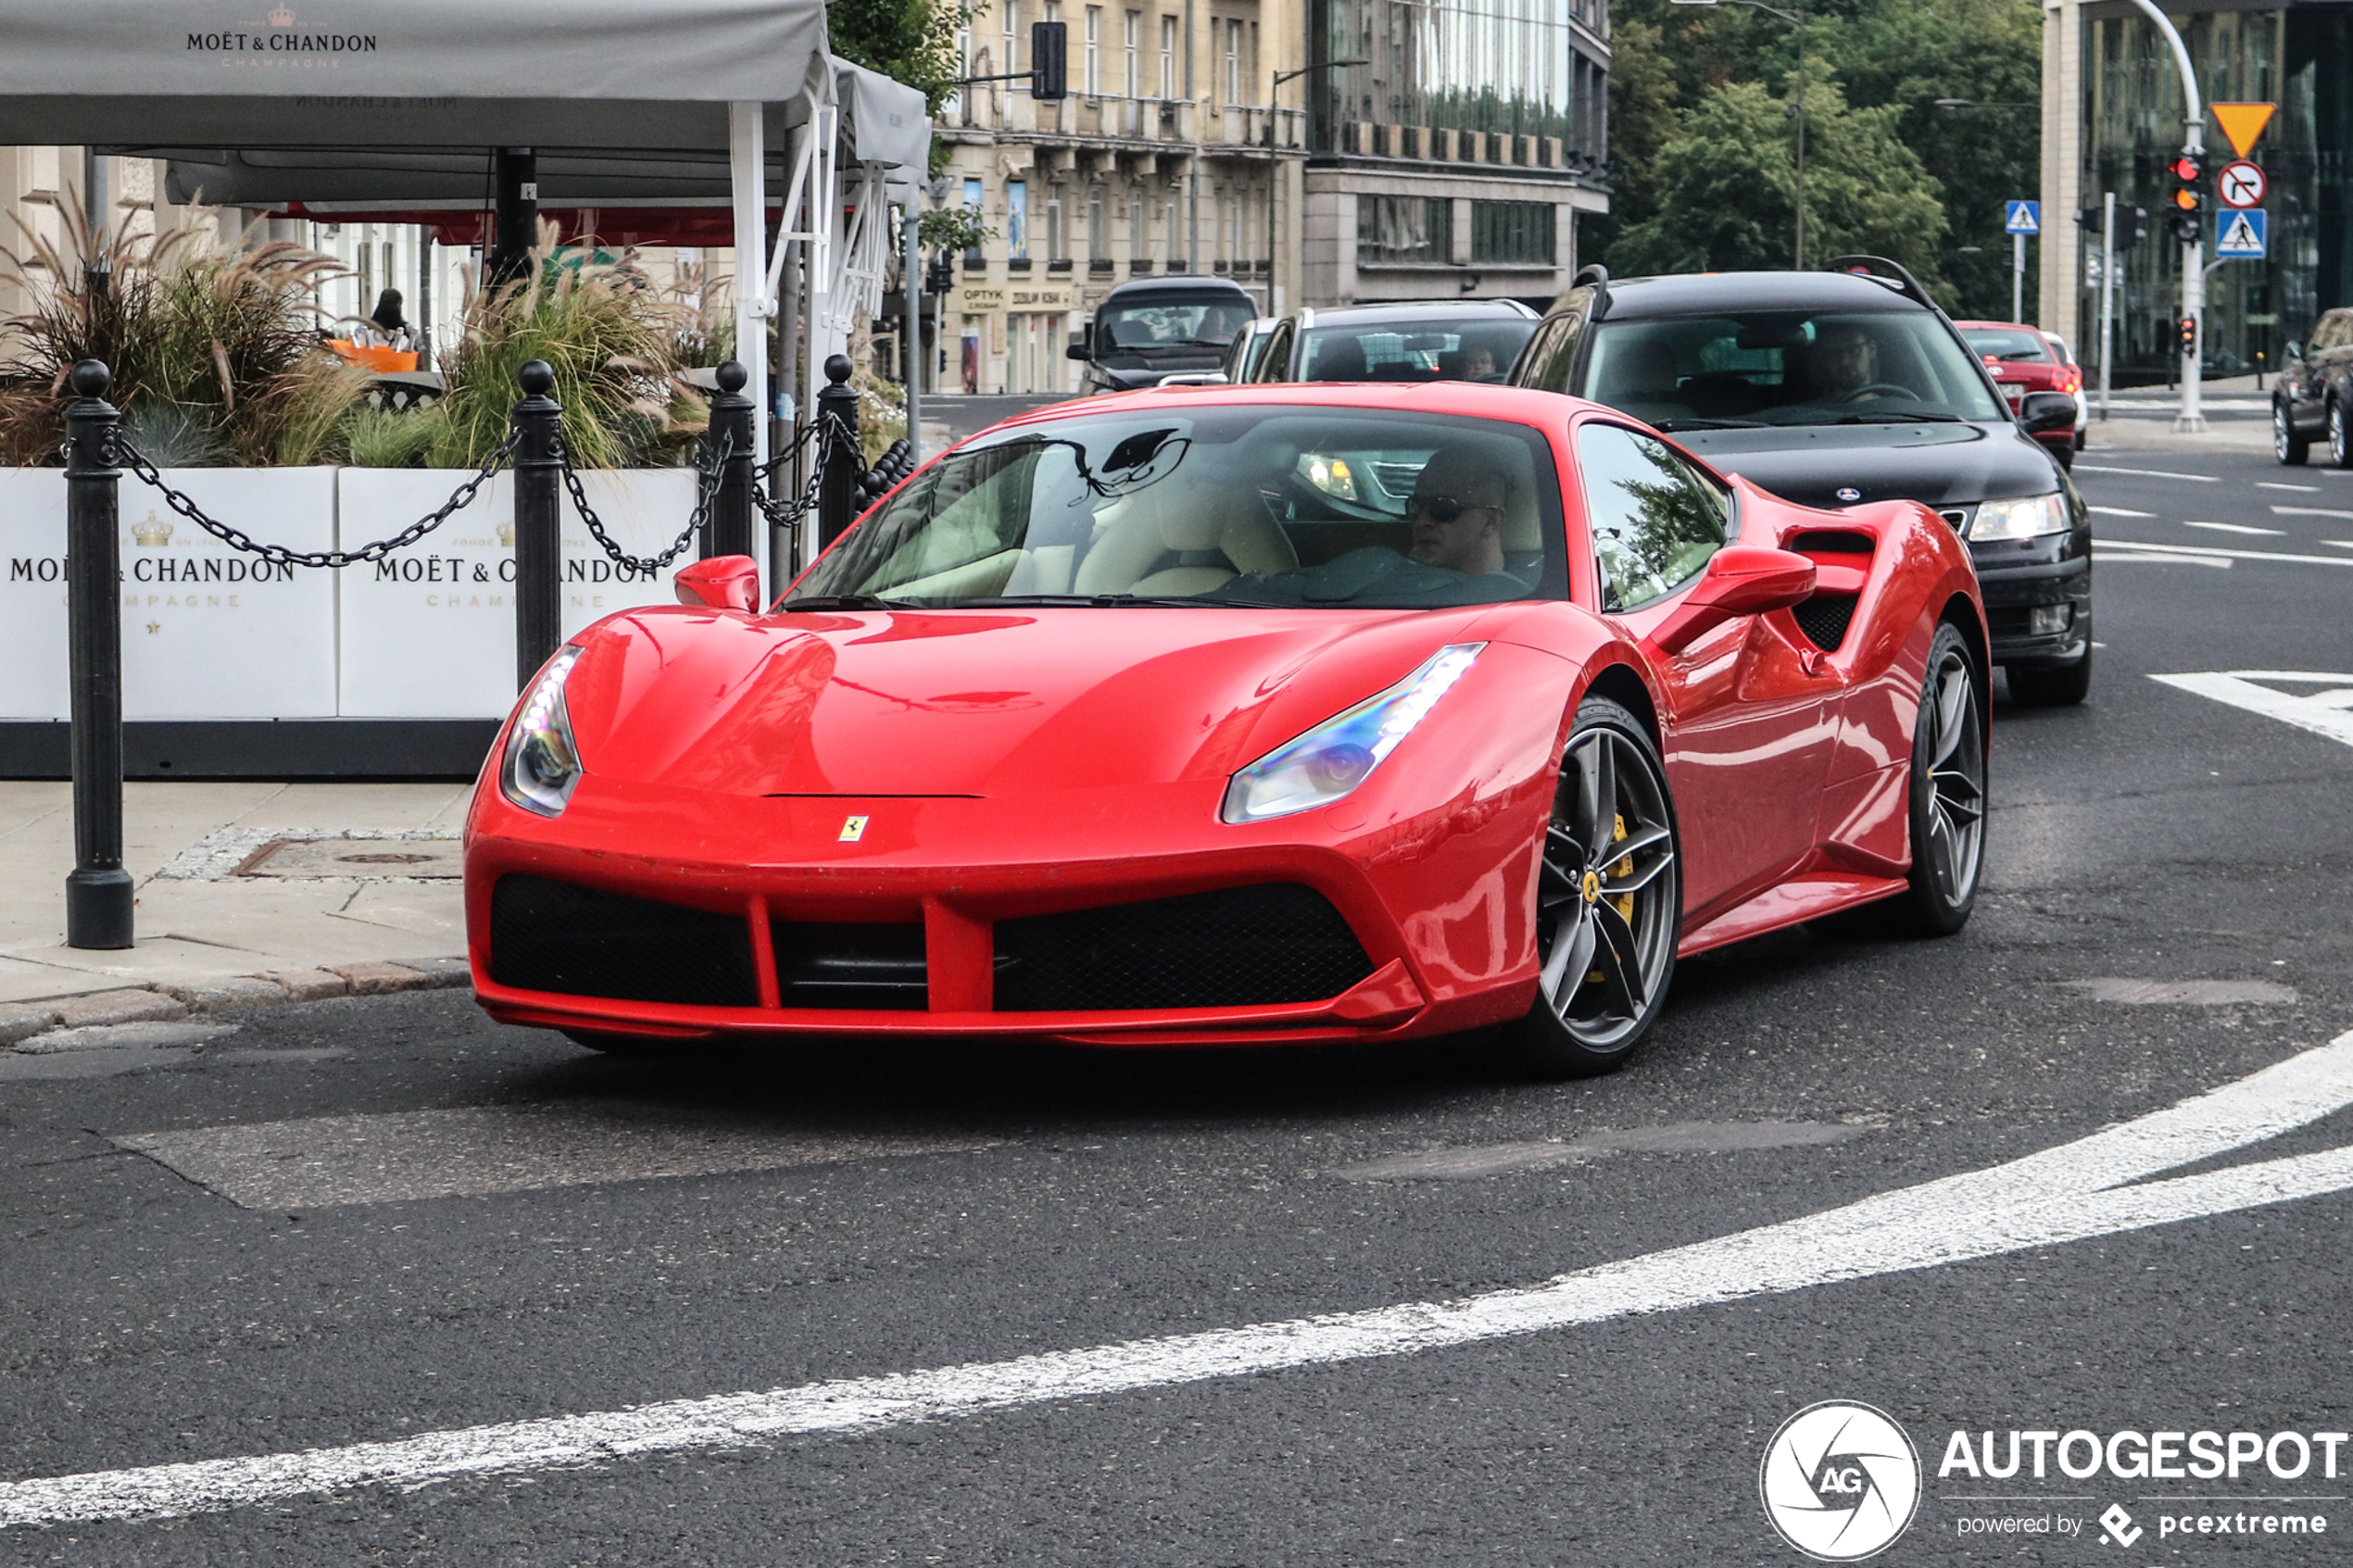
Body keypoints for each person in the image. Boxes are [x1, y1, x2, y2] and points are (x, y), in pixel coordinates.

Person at [1405, 449, 1512, 576]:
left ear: (1491, 521)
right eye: (1416, 506)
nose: (1421, 521)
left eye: (1444, 507)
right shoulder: (1392, 575)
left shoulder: (1517, 593)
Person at [1810, 322, 1887, 402]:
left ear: (1871, 350)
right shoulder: (1806, 412)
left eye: (1853, 350)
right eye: (1834, 353)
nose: (1844, 361)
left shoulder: (1894, 410)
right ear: (1825, 360)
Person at [349, 288, 418, 352]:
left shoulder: (363, 329)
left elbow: (353, 349)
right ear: (399, 304)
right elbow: (419, 352)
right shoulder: (408, 331)